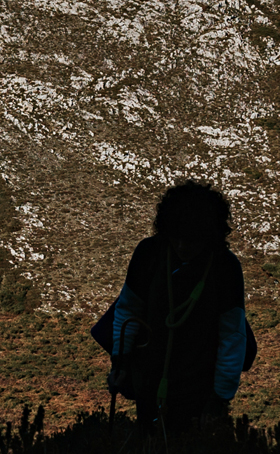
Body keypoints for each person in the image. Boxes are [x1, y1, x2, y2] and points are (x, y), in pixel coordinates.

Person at [107, 180, 251, 437]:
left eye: (193, 240)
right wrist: (120, 363)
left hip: (199, 389)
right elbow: (128, 310)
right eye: (177, 238)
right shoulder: (149, 254)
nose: (183, 247)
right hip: (149, 382)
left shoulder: (225, 268)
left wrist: (218, 401)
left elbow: (232, 337)